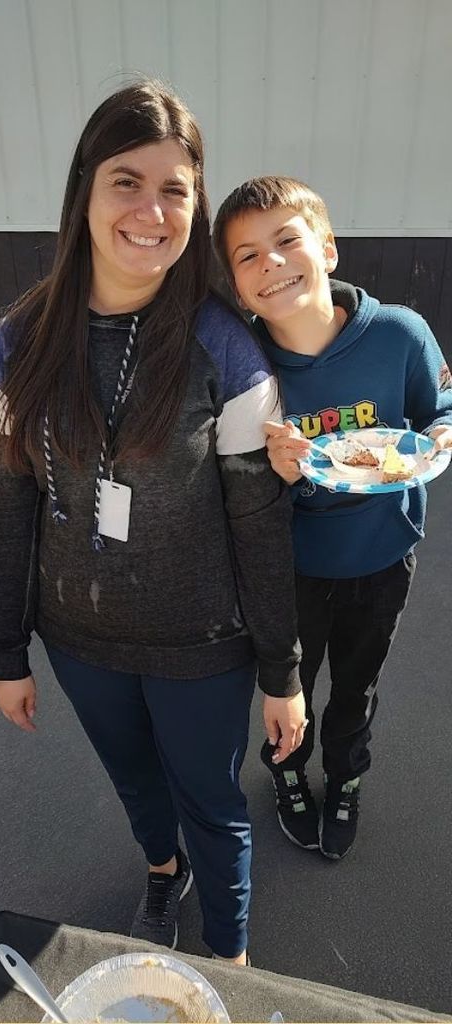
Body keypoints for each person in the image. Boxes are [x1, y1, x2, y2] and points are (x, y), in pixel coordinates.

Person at [0, 80, 306, 965]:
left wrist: (282, 671)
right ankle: (164, 875)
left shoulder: (223, 348)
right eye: (128, 181)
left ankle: (228, 956)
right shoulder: (19, 343)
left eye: (175, 189)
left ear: (195, 208)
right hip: (78, 638)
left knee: (212, 798)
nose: (151, 210)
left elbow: (258, 520)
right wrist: (4, 650)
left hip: (203, 641)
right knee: (135, 782)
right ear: (85, 186)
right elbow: (6, 502)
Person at [212, 176, 452, 859]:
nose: (273, 264)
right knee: (286, 685)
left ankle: (345, 778)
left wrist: (440, 438)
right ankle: (287, 773)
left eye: (287, 241)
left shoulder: (400, 334)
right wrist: (273, 472)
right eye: (248, 256)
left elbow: (441, 409)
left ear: (328, 248)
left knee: (356, 685)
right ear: (235, 282)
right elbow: (225, 480)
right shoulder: (244, 363)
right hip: (288, 567)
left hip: (382, 555)